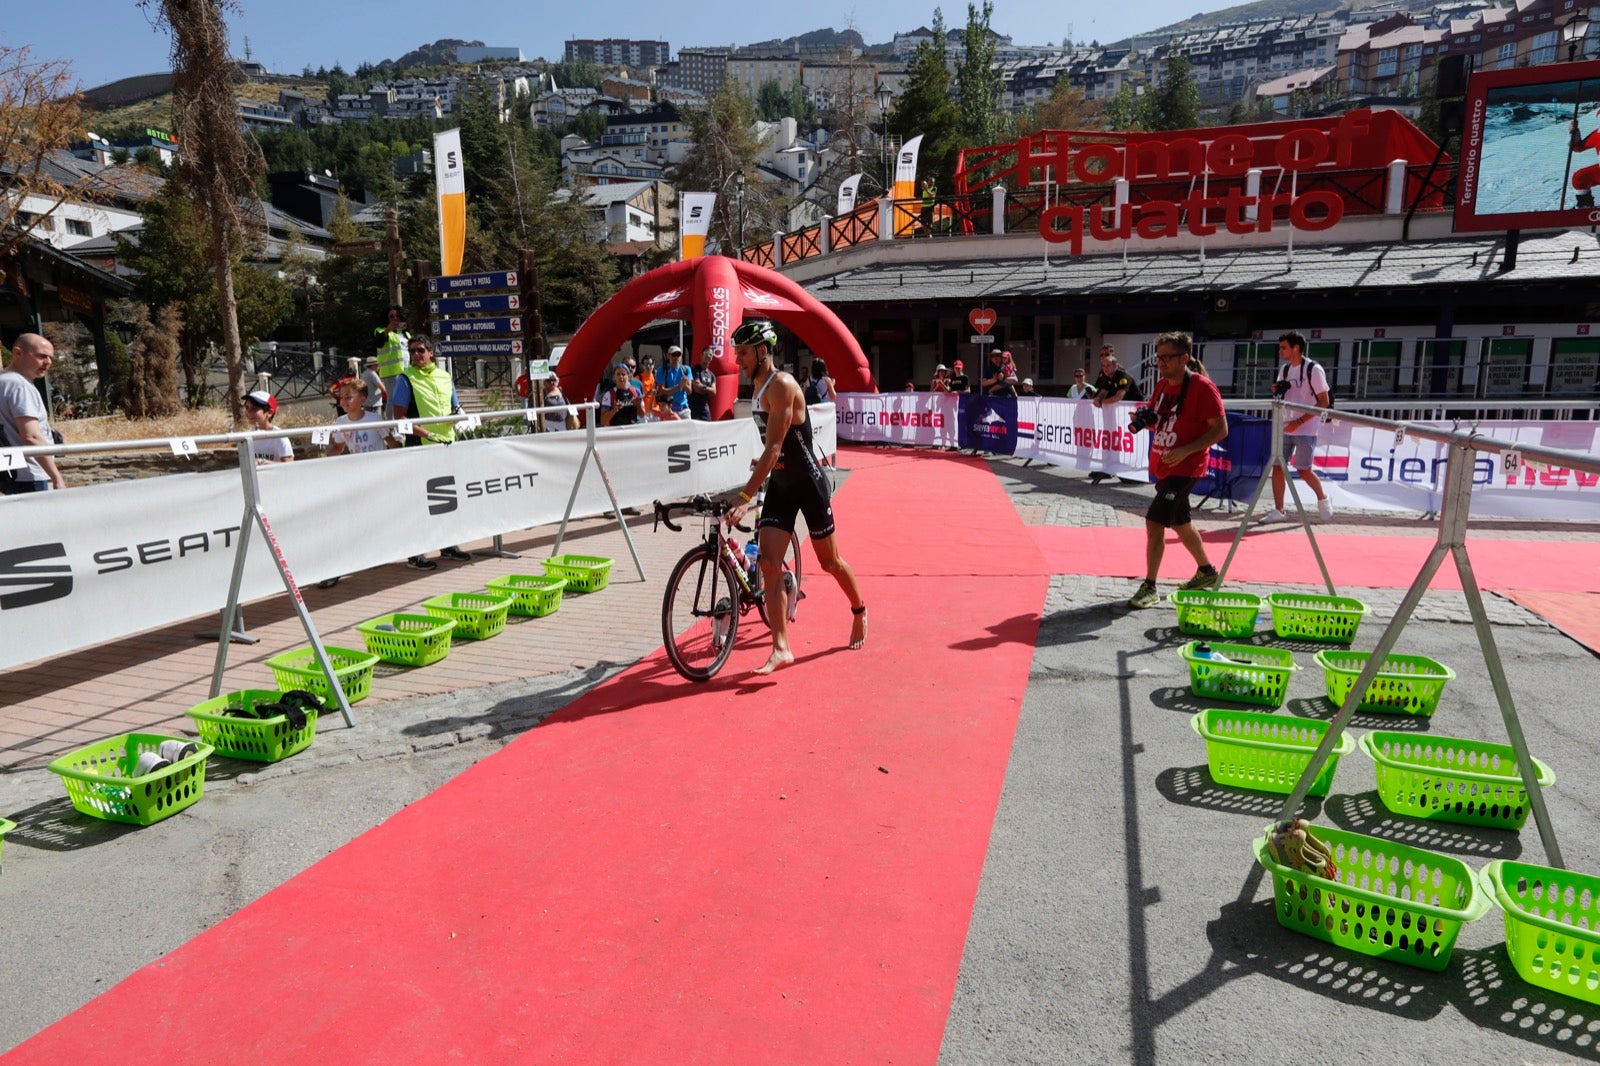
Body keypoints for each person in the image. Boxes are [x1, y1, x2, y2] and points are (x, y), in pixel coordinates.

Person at [724, 319, 867, 674]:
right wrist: (761, 465)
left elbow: (775, 446)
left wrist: (745, 495)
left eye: (743, 353)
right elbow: (774, 447)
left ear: (762, 351)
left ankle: (859, 609)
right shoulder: (758, 387)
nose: (737, 360)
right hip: (782, 484)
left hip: (808, 484)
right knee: (769, 564)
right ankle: (781, 648)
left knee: (830, 562)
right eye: (736, 354)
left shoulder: (782, 385)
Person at [1127, 331, 1229, 608]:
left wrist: (1187, 449)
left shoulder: (1202, 388)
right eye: (1158, 357)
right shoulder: (1162, 385)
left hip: (1186, 467)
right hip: (1164, 464)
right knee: (1181, 522)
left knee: (1154, 521)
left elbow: (1221, 430)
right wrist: (1144, 421)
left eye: (1167, 358)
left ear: (1184, 358)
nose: (1161, 363)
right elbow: (1159, 421)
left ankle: (1150, 586)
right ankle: (1206, 571)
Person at [389, 336, 470, 569]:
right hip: (419, 446)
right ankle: (416, 554)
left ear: (431, 352)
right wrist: (428, 434)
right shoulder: (405, 379)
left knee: (447, 497)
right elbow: (400, 418)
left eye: (421, 350)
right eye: (412, 351)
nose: (416, 355)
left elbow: (455, 407)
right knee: (419, 501)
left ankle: (448, 545)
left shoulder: (445, 376)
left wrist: (460, 419)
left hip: (446, 445)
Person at [1260, 330, 1334, 524]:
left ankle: (1323, 498)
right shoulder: (1284, 370)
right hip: (1286, 426)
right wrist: (1276, 390)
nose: (1280, 351)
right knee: (1278, 467)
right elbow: (1281, 394)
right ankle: (1279, 510)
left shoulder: (1313, 369)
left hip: (1306, 429)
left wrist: (1299, 422)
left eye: (1283, 347)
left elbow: (1324, 401)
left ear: (1296, 348)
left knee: (1303, 470)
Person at [0, 333, 66, 494]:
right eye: (42, 356)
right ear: (17, 352)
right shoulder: (20, 386)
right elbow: (31, 436)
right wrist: (56, 477)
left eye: (50, 357)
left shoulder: (4, 381)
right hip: (30, 474)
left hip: (10, 473)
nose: (48, 362)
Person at [326, 378, 391, 456]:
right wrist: (323, 459)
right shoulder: (340, 422)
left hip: (377, 461)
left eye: (348, 397)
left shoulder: (375, 419)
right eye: (341, 397)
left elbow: (391, 441)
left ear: (362, 399)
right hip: (357, 463)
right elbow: (338, 448)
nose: (343, 401)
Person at [243, 390, 293, 463]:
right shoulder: (247, 436)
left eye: (254, 408)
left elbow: (289, 464)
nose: (249, 412)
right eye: (247, 408)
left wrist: (262, 462)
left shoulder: (279, 436)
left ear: (269, 413)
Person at [373, 305, 410, 398]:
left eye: (397, 316)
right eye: (392, 316)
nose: (395, 318)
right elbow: (378, 343)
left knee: (406, 399)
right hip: (391, 373)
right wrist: (388, 330)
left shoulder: (406, 334)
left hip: (407, 371)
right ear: (386, 318)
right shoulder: (380, 330)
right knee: (394, 400)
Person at [1570, 110, 1600, 209]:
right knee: (1580, 177)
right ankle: (1585, 207)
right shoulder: (1597, 134)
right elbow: (1578, 147)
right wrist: (1574, 133)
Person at [655, 345, 691, 420]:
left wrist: (684, 384)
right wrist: (679, 387)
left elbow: (689, 391)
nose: (676, 357)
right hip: (669, 411)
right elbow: (661, 391)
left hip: (684, 409)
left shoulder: (686, 369)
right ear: (668, 356)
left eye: (678, 354)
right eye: (673, 354)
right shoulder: (662, 370)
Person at [688, 346, 718, 421]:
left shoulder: (712, 375)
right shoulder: (694, 370)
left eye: (711, 354)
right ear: (701, 355)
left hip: (705, 410)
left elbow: (714, 392)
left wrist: (703, 387)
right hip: (693, 409)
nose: (708, 356)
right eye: (706, 353)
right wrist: (708, 389)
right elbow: (697, 388)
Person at [637, 355, 659, 419]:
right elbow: (636, 398)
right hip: (644, 413)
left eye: (650, 364)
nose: (648, 366)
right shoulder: (638, 379)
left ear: (653, 365)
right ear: (642, 365)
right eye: (646, 364)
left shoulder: (657, 377)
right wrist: (648, 393)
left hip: (656, 411)